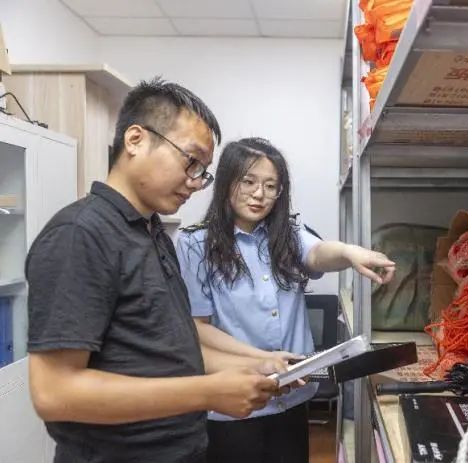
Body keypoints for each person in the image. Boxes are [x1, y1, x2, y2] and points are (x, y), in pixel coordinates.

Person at [25, 78, 286, 463]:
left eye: (203, 171)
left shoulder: (152, 232)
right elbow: (54, 392)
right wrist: (209, 392)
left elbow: (169, 350)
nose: (195, 183)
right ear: (135, 140)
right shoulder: (81, 234)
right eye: (190, 161)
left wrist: (254, 366)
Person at [176, 137, 396, 463]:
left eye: (270, 186)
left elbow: (318, 253)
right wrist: (263, 360)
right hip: (234, 401)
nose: (259, 194)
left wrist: (350, 253)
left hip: (291, 398)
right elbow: (198, 327)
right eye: (248, 181)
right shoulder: (196, 243)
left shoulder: (288, 233)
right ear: (226, 182)